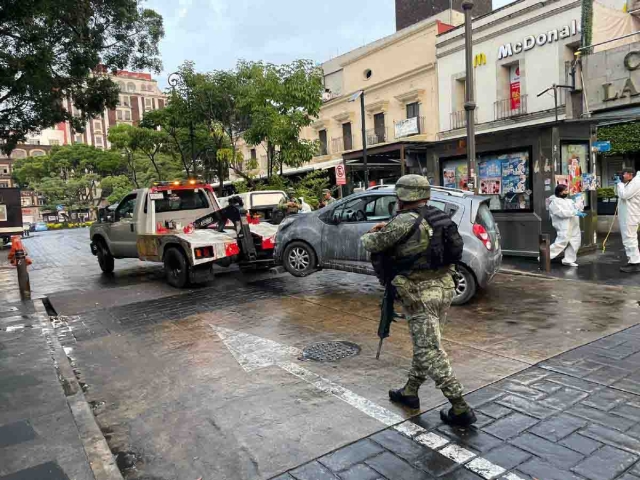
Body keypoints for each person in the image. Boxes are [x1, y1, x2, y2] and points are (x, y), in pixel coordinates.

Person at [361, 174, 476, 427]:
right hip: (444, 287)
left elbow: (372, 243)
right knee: (428, 343)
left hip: (419, 293)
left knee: (429, 350)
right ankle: (410, 392)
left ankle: (460, 407)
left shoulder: (403, 221)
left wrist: (372, 232)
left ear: (401, 197)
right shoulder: (438, 216)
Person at [548, 184, 585, 267]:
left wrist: (579, 200)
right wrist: (575, 213)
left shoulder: (569, 201)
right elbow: (561, 213)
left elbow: (577, 208)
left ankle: (568, 260)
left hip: (574, 224)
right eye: (564, 190)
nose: (567, 192)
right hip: (564, 225)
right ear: (559, 192)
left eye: (566, 190)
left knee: (575, 242)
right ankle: (544, 257)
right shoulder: (555, 202)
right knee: (561, 242)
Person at [616, 168, 640, 273]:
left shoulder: (636, 182)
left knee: (630, 239)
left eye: (623, 174)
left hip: (630, 215)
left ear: (630, 174)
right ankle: (632, 261)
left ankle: (635, 263)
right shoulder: (631, 182)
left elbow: (624, 195)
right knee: (628, 239)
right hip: (628, 214)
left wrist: (619, 184)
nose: (622, 176)